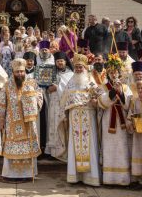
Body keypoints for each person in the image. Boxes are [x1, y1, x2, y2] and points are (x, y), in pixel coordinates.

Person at [0, 58, 43, 181]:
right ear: (13, 72)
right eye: (17, 72)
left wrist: (33, 99)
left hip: (28, 123)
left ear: (25, 71)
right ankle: (11, 175)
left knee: (28, 146)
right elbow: (1, 102)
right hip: (12, 121)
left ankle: (27, 174)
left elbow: (40, 96)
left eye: (21, 71)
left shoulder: (32, 83)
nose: (20, 74)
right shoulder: (7, 84)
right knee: (12, 146)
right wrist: (1, 119)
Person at [57, 54, 101, 186]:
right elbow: (64, 100)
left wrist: (95, 101)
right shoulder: (70, 82)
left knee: (90, 145)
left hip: (88, 115)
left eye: (81, 67)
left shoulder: (91, 80)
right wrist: (63, 115)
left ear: (85, 67)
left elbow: (100, 94)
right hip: (74, 116)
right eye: (76, 67)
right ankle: (74, 177)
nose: (78, 69)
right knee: (74, 147)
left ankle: (90, 177)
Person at [97, 57, 132, 186]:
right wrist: (112, 92)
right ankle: (109, 179)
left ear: (119, 72)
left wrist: (121, 92)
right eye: (111, 71)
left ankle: (123, 179)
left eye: (115, 71)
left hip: (121, 120)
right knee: (109, 148)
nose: (113, 74)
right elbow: (101, 102)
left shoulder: (126, 87)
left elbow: (128, 104)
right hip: (108, 120)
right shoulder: (103, 86)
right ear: (108, 73)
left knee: (122, 147)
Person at [45, 51, 73, 157]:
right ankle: (54, 152)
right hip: (54, 103)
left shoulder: (71, 74)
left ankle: (65, 152)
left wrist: (58, 87)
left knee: (64, 126)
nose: (60, 63)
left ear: (65, 61)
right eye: (57, 61)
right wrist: (49, 89)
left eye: (61, 61)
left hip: (65, 104)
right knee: (53, 124)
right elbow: (46, 90)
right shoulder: (51, 73)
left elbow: (71, 89)